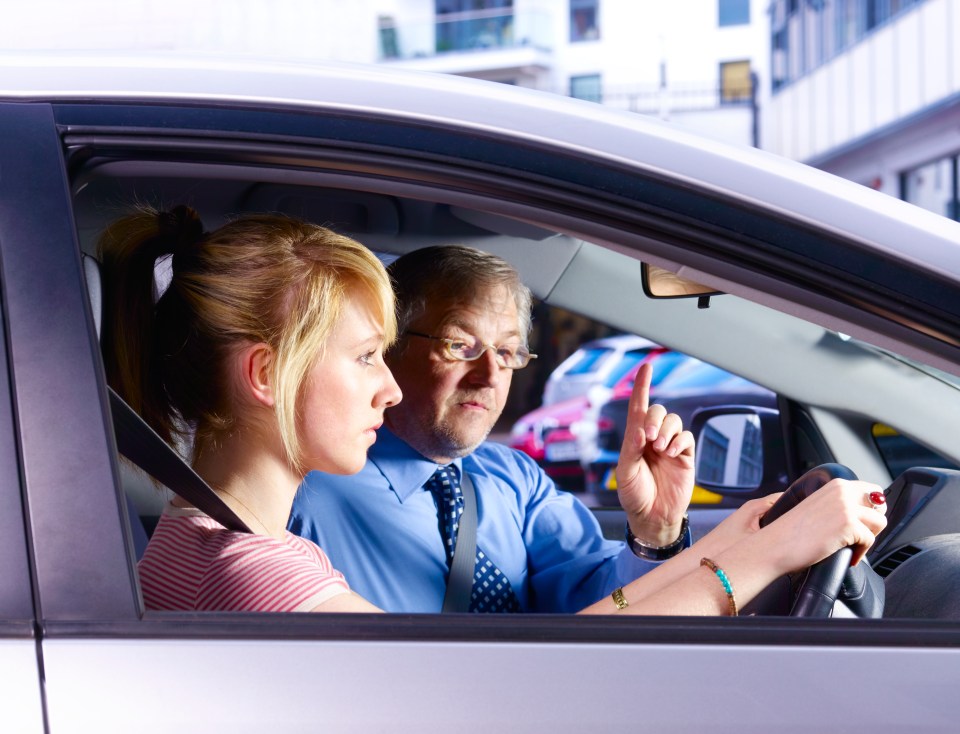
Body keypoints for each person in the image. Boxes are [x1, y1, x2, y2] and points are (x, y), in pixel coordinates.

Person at [289, 245, 888, 615]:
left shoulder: (512, 477)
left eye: (508, 351)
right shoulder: (307, 490)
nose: (490, 373)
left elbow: (606, 608)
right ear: (388, 348)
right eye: (460, 344)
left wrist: (654, 535)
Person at [98, 205, 403, 612]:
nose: (392, 390)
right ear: (267, 374)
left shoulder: (191, 539)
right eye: (366, 355)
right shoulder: (263, 580)